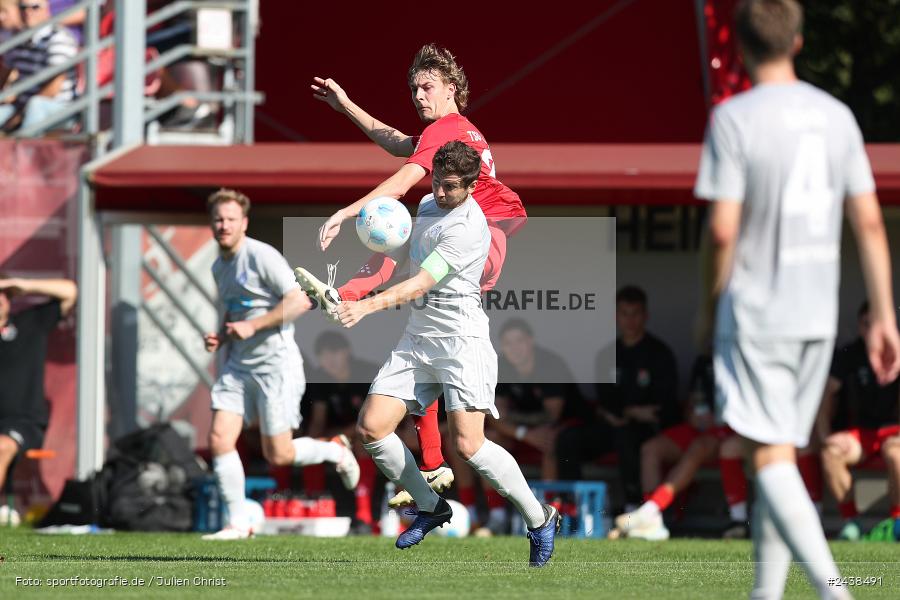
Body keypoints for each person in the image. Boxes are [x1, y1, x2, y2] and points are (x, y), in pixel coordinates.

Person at [695, 1, 900, 597]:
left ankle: (834, 589)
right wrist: (884, 313)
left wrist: (710, 305)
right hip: (817, 314)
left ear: (738, 48)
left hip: (758, 311)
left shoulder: (734, 117)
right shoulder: (836, 115)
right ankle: (767, 594)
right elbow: (867, 221)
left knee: (770, 458)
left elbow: (723, 230)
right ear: (800, 42)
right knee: (777, 453)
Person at [296, 44, 527, 508]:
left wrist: (346, 212)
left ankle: (345, 293)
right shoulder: (456, 132)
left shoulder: (449, 129)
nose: (419, 95)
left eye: (428, 87)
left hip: (472, 243)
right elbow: (400, 143)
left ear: (452, 88)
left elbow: (400, 181)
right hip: (481, 246)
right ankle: (433, 463)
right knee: (428, 334)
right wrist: (346, 107)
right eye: (413, 88)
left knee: (396, 220)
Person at [334, 141, 559, 567]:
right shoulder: (426, 204)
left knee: (469, 446)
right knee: (372, 427)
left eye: (450, 186)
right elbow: (399, 254)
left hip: (460, 342)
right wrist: (351, 289)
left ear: (472, 186)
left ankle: (539, 517)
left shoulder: (469, 228)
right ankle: (431, 506)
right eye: (436, 181)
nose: (439, 192)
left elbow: (420, 282)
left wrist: (366, 306)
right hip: (419, 338)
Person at [201, 188, 360, 540]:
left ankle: (333, 450)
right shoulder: (219, 266)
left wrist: (252, 326)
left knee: (280, 454)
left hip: (276, 365)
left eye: (230, 219)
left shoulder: (261, 256)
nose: (223, 225)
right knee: (219, 439)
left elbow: (300, 301)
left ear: (243, 223)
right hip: (239, 366)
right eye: (218, 219)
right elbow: (238, 312)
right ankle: (238, 522)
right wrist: (222, 336)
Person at [820, 301, 900, 541]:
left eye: (877, 324)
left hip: (895, 433)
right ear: (860, 326)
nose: (872, 330)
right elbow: (826, 395)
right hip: (862, 434)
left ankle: (897, 523)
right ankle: (851, 523)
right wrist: (826, 436)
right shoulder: (851, 354)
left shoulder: (897, 350)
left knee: (896, 453)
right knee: (830, 452)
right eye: (867, 324)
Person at [599, 285, 680, 510]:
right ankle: (565, 507)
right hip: (611, 424)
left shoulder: (659, 353)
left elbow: (663, 403)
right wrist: (621, 412)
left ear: (645, 316)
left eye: (635, 313)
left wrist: (631, 413)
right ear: (616, 316)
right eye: (624, 314)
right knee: (569, 440)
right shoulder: (607, 353)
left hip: (648, 428)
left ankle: (635, 507)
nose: (630, 320)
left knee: (628, 437)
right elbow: (603, 398)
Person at [0, 275, 77, 502]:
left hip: (23, 423)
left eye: (4, 293)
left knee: (1, 446)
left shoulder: (30, 323)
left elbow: (70, 292)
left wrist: (24, 285)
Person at [304, 331, 380, 532]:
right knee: (310, 447)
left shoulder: (366, 373)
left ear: (347, 352)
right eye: (324, 355)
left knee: (364, 444)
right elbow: (318, 419)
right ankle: (316, 508)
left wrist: (338, 437)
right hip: (338, 436)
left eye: (335, 353)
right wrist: (313, 442)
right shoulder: (320, 378)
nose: (330, 360)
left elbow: (370, 420)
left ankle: (364, 515)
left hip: (370, 433)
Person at [0, 0, 77, 132]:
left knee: (36, 105)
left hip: (59, 107)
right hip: (23, 105)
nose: (28, 12)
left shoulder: (58, 37)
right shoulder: (18, 38)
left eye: (35, 7)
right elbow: (5, 73)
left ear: (46, 10)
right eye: (23, 7)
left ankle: (22, 148)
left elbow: (55, 86)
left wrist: (21, 115)